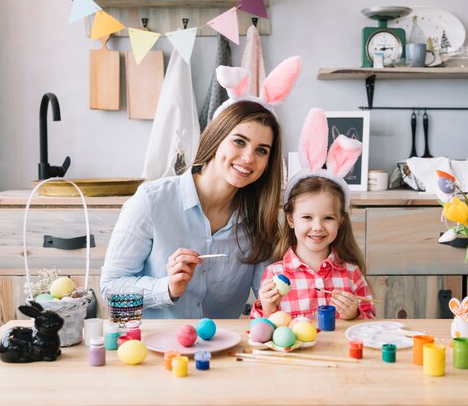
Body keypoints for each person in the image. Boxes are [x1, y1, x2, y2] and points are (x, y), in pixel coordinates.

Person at [100, 57, 301, 319]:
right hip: (157, 349)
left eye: (261, 150)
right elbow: (110, 290)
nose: (249, 158)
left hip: (225, 349)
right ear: (216, 139)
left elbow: (271, 296)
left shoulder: (259, 220)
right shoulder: (151, 201)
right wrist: (167, 288)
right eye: (239, 142)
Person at [250, 108, 375, 320]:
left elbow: (370, 323)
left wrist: (354, 314)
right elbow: (259, 329)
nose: (317, 227)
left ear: (340, 221)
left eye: (328, 218)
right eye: (307, 217)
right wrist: (268, 310)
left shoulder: (351, 274)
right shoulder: (275, 274)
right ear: (291, 219)